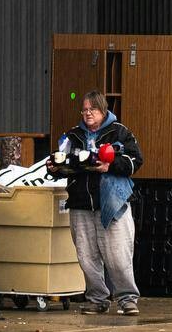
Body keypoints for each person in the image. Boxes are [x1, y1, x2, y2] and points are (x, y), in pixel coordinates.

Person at [48, 92, 143, 315]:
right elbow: (62, 162)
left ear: (103, 110)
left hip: (112, 203)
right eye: (85, 109)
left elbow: (136, 160)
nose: (88, 113)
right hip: (81, 204)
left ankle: (127, 298)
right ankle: (96, 299)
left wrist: (110, 166)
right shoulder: (73, 135)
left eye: (93, 109)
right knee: (86, 255)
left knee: (118, 255)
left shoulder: (119, 131)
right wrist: (54, 168)